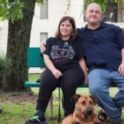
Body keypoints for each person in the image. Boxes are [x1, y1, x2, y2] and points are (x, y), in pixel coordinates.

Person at [40, 3, 124, 124]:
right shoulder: (79, 33)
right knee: (96, 90)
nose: (94, 14)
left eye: (97, 12)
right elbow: (62, 35)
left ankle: (108, 111)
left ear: (101, 15)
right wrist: (44, 42)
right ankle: (116, 119)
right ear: (85, 14)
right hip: (97, 70)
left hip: (119, 68)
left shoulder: (114, 29)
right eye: (91, 11)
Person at [25, 16, 87, 124]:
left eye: (68, 25)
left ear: (72, 29)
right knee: (46, 79)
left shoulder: (76, 42)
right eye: (62, 25)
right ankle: (39, 115)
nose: (65, 27)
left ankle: (68, 117)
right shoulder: (51, 41)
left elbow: (81, 59)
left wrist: (85, 76)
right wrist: (54, 70)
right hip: (54, 68)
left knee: (69, 83)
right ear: (59, 27)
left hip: (72, 69)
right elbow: (46, 58)